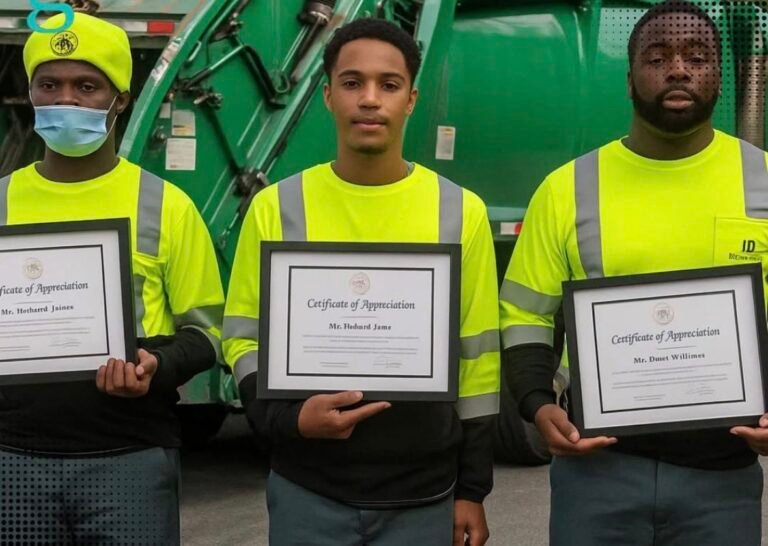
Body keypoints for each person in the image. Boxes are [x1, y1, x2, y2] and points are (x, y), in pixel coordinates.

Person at [223, 18, 500, 546]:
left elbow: (478, 359)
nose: (369, 99)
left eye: (388, 85)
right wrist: (289, 421)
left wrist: (473, 489)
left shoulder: (460, 211)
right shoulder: (277, 206)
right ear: (328, 96)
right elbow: (243, 337)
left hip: (424, 494)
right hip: (307, 488)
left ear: (411, 100)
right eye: (352, 83)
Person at [500, 1, 768, 544]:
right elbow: (525, 313)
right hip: (595, 473)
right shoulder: (567, 188)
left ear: (720, 77)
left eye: (697, 57)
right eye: (658, 57)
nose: (678, 69)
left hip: (722, 479)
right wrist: (536, 403)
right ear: (629, 80)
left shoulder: (763, 180)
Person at [0, 12, 224, 544]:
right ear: (30, 93)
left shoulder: (166, 206)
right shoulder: (2, 200)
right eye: (49, 85)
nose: (67, 100)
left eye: (87, 86)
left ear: (120, 99)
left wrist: (155, 364)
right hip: (11, 456)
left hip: (130, 456)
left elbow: (209, 336)